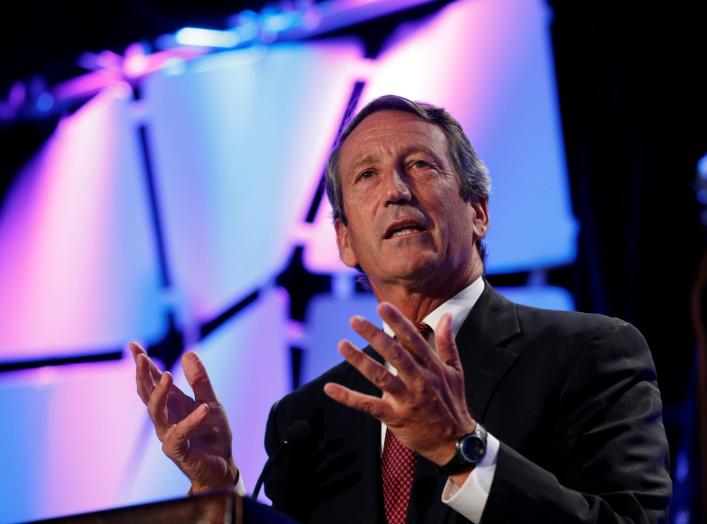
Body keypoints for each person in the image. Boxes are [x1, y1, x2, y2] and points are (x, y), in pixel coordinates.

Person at [131, 95, 672, 523]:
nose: (395, 189)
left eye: (419, 165)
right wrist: (217, 492)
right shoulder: (306, 419)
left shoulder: (590, 353)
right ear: (344, 243)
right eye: (366, 175)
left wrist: (460, 448)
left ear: (478, 211)